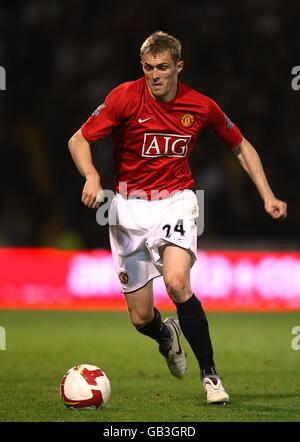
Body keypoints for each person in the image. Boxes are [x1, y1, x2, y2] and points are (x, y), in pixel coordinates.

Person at [68, 31, 287, 404]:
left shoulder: (200, 106)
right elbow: (78, 140)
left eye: (163, 68)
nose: (155, 75)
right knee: (140, 318)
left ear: (178, 67)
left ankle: (211, 377)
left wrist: (267, 194)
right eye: (149, 67)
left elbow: (240, 146)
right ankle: (166, 335)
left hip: (176, 202)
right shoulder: (124, 97)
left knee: (177, 282)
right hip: (126, 209)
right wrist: (91, 175)